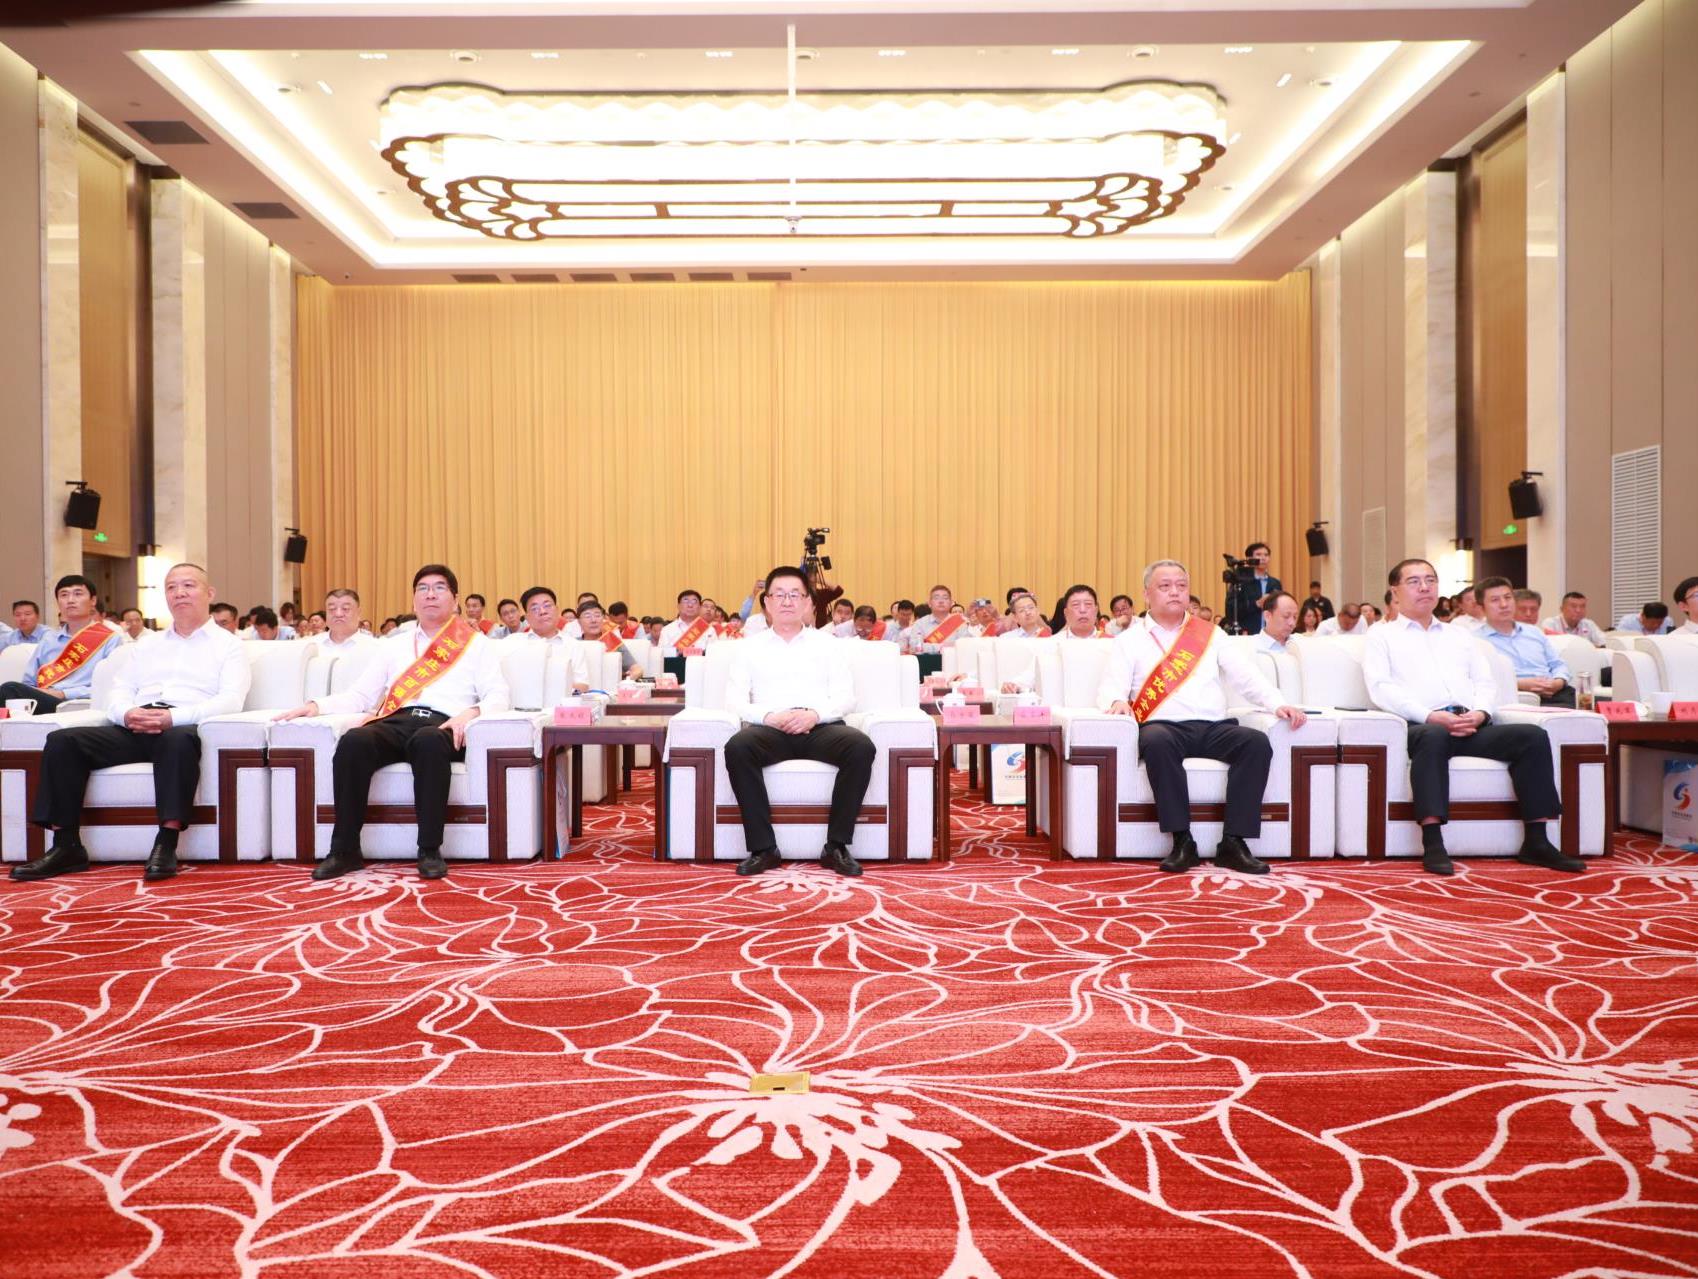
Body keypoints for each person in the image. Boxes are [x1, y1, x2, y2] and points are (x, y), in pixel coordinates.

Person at [14, 563, 251, 884]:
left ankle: (166, 843)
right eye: (171, 587)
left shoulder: (229, 645)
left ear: (209, 593)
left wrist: (172, 718)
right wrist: (126, 714)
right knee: (63, 741)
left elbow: (231, 700)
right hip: (136, 724)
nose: (179, 593)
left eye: (188, 586)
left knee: (176, 740)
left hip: (185, 724)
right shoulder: (148, 644)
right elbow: (120, 690)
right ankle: (66, 845)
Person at [275, 564, 509, 882]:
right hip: (397, 719)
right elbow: (361, 694)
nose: (430, 594)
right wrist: (316, 706)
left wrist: (470, 714)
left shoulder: (475, 644)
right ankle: (344, 850)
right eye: (423, 588)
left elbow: (498, 694)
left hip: (442, 725)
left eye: (439, 588)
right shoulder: (394, 644)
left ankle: (429, 849)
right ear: (414, 599)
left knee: (427, 741)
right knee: (354, 740)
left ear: (455, 599)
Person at [1363, 559, 1580, 876]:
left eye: (1430, 580)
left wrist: (1480, 712)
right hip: (1420, 726)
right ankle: (1433, 842)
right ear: (1395, 592)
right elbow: (1381, 688)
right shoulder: (1381, 636)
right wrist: (1430, 715)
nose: (1424, 587)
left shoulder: (1459, 635)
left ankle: (1537, 841)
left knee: (1531, 736)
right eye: (1414, 581)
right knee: (1434, 736)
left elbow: (1484, 681)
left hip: (1470, 724)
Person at [1097, 561, 1305, 874]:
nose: (1174, 592)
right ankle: (1182, 841)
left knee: (1256, 743)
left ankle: (1233, 842)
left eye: (1181, 586)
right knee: (1156, 742)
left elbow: (1246, 677)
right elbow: (1112, 685)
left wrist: (1277, 704)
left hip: (1213, 726)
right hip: (1162, 727)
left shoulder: (1210, 634)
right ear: (1146, 594)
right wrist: (1116, 701)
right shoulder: (1130, 639)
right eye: (1165, 586)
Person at [722, 566, 876, 878]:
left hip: (820, 726)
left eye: (795, 595)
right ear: (767, 602)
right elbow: (735, 701)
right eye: (779, 595)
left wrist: (814, 715)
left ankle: (836, 846)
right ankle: (764, 849)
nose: (787, 601)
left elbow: (846, 697)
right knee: (738, 747)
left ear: (807, 602)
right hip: (771, 729)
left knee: (861, 747)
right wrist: (770, 717)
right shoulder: (749, 647)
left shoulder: (828, 644)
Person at [0, 575, 125, 715]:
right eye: (64, 595)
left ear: (93, 601)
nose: (70, 600)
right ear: (58, 603)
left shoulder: (110, 639)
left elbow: (112, 685)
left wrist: (63, 693)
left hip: (80, 704)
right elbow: (29, 682)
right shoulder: (49, 640)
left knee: (10, 689)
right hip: (43, 700)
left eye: (78, 594)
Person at [1477, 577, 1574, 707]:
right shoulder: (1476, 640)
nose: (1504, 604)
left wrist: (1558, 682)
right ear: (1482, 608)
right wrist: (1519, 684)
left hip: (1555, 692)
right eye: (1495, 600)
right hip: (1515, 696)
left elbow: (1558, 664)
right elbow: (1480, 679)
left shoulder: (1534, 632)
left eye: (1508, 597)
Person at [514, 586, 592, 693]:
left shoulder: (573, 645)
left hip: (562, 702)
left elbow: (582, 685)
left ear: (557, 611)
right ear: (527, 617)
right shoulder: (515, 643)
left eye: (547, 606)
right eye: (534, 608)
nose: (542, 611)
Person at [578, 601, 640, 681]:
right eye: (587, 616)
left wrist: (628, 680)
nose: (593, 620)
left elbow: (637, 670)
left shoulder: (612, 641)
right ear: (579, 622)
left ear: (603, 619)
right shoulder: (574, 644)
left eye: (597, 616)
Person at [1233, 541, 1281, 634]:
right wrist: (1257, 604)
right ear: (1249, 558)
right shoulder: (1240, 581)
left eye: (1266, 555)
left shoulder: (1275, 583)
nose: (1263, 558)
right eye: (1258, 554)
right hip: (1247, 634)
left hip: (1270, 634)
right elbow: (1232, 611)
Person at [905, 585, 967, 654]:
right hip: (927, 660)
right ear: (929, 603)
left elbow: (964, 646)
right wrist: (942, 647)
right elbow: (915, 646)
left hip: (953, 660)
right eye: (936, 598)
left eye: (945, 598)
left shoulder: (960, 623)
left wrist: (928, 647)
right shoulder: (920, 623)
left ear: (951, 603)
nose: (941, 601)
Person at [312, 588, 374, 653]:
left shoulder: (376, 649)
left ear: (358, 613)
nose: (338, 614)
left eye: (345, 609)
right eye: (332, 609)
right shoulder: (310, 645)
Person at [660, 589, 717, 658]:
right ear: (678, 606)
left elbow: (714, 654)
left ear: (699, 607)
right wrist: (676, 651)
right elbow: (661, 654)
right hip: (676, 664)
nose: (690, 605)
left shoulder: (710, 630)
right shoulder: (667, 630)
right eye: (686, 601)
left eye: (694, 602)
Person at [1541, 592, 1607, 647]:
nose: (1578, 610)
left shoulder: (1588, 624)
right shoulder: (1551, 623)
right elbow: (1551, 647)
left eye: (1582, 606)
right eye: (1573, 606)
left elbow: (1603, 644)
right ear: (1562, 609)